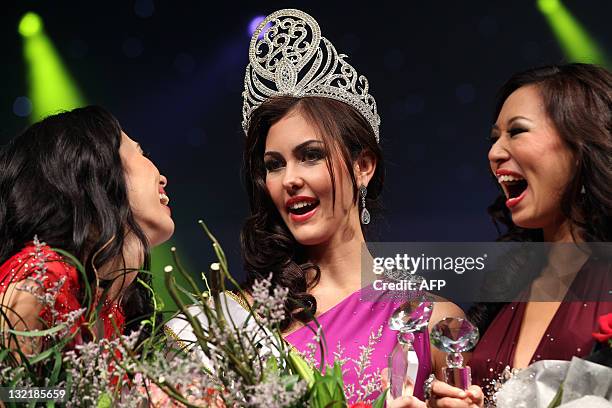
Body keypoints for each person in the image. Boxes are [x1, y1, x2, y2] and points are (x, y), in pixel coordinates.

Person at [239, 9, 464, 406]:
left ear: (363, 166)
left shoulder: (431, 321)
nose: (289, 178)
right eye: (274, 164)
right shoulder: (242, 317)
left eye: (310, 155)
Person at [428, 64, 612, 407]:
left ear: (581, 146)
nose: (494, 153)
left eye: (516, 131)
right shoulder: (509, 285)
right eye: (495, 137)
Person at [0, 106, 174, 354]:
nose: (162, 178)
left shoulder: (116, 309)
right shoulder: (40, 280)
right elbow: (11, 393)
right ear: (95, 169)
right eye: (140, 153)